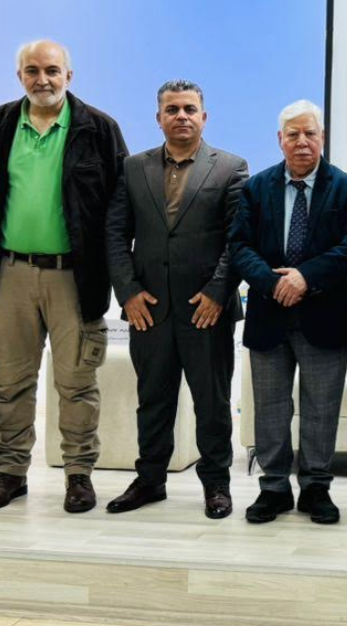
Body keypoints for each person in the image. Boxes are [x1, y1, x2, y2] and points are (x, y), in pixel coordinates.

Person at [0, 40, 127, 515]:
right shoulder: (0, 126)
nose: (43, 79)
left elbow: (119, 205)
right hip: (12, 273)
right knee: (11, 382)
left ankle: (78, 474)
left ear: (69, 76)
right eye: (33, 71)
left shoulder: (98, 129)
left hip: (74, 278)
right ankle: (10, 473)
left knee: (77, 382)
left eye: (52, 71)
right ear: (20, 75)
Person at [104, 80, 247, 518]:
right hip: (149, 310)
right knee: (153, 402)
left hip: (207, 310)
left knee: (213, 404)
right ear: (158, 118)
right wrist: (128, 292)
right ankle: (150, 481)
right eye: (172, 110)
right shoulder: (133, 167)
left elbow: (238, 239)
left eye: (189, 109)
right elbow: (115, 233)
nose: (181, 116)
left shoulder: (231, 167)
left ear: (204, 116)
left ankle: (216, 485)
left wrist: (218, 293)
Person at [230, 100, 347, 524]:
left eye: (310, 133)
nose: (302, 141)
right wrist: (273, 283)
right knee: (270, 408)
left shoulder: (346, 187)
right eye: (293, 134)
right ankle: (273, 487)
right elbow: (239, 245)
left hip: (324, 316)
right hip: (269, 314)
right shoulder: (257, 187)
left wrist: (305, 277)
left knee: (321, 408)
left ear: (322, 137)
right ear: (280, 139)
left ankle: (315, 488)